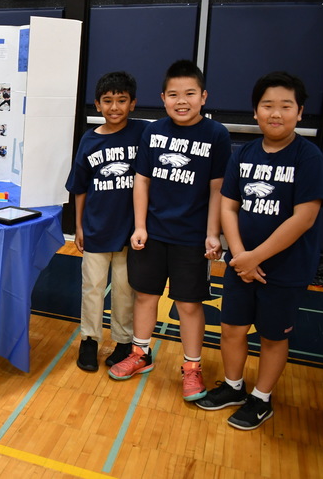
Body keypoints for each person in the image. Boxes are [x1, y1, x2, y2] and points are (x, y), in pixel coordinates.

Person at [196, 72, 323, 429]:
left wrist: (256, 257)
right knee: (231, 329)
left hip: (284, 270)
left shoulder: (308, 158)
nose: (276, 113)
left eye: (286, 106)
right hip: (241, 266)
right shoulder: (243, 154)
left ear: (300, 112)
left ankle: (261, 399)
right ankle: (234, 387)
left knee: (272, 337)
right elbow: (228, 207)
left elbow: (304, 218)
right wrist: (240, 256)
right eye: (267, 105)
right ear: (255, 111)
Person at [108, 60, 231, 403]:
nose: (182, 101)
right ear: (163, 98)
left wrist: (213, 234)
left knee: (188, 305)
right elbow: (142, 181)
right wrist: (140, 226)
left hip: (191, 238)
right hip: (153, 233)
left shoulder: (216, 134)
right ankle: (140, 353)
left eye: (190, 93)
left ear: (203, 97)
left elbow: (218, 189)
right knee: (145, 296)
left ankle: (192, 367)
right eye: (174, 94)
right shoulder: (153, 132)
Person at [66, 71, 146, 371]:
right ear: (97, 105)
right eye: (108, 101)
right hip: (96, 229)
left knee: (125, 291)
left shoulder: (143, 133)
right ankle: (89, 340)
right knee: (92, 288)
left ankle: (124, 341)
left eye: (122, 100)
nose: (115, 107)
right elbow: (80, 188)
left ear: (133, 103)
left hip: (129, 231)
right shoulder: (89, 140)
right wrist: (79, 226)